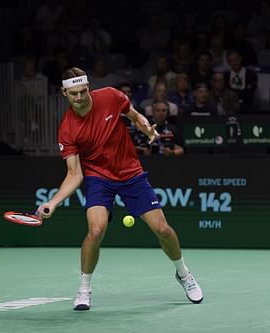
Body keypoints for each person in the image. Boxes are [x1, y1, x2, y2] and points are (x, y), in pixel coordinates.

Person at [37, 67, 203, 311]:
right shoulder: (67, 128)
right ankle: (84, 288)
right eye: (74, 94)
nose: (80, 98)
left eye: (83, 91)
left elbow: (134, 115)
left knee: (162, 228)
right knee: (96, 230)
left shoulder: (111, 97)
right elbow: (74, 174)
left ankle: (184, 274)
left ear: (89, 87)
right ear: (64, 93)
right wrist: (53, 202)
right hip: (98, 178)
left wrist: (146, 127)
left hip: (130, 173)